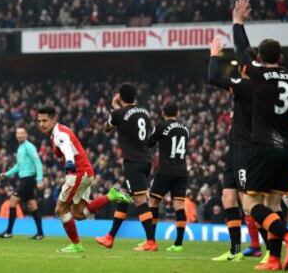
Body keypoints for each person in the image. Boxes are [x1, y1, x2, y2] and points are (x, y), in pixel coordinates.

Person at [233, 0, 288, 270]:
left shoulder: (257, 74)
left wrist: (238, 21)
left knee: (250, 204)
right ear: (281, 58)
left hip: (263, 148)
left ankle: (287, 237)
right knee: (273, 206)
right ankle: (272, 259)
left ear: (260, 58)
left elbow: (240, 50)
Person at [37, 106, 131, 253]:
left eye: (45, 120)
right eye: (39, 121)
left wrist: (69, 162)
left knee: (60, 209)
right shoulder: (59, 131)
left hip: (78, 173)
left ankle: (76, 245)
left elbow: (67, 148)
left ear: (54, 119)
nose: (41, 124)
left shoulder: (59, 134)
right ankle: (111, 195)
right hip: (85, 173)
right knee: (78, 214)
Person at [207, 36, 254, 261]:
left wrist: (214, 54)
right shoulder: (245, 88)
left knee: (249, 204)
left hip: (247, 150)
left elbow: (213, 77)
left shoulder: (250, 86)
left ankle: (259, 247)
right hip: (234, 150)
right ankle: (236, 249)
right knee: (228, 198)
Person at [95, 83, 158, 251]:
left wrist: (114, 107)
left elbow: (107, 128)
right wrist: (117, 108)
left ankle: (151, 241)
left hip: (133, 162)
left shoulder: (118, 113)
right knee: (123, 197)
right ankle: (110, 237)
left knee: (140, 201)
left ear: (120, 97)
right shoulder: (144, 112)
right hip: (145, 160)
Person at [147, 100, 189, 252]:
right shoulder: (185, 129)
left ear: (163, 113)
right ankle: (178, 243)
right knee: (179, 206)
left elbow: (149, 143)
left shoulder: (161, 126)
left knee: (153, 202)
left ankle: (150, 240)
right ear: (177, 113)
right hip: (182, 171)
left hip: (166, 170)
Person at [0, 127, 44, 240]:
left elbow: (38, 162)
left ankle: (8, 232)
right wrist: (6, 174)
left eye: (22, 133)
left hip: (28, 179)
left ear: (26, 135)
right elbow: (18, 166)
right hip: (25, 179)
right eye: (18, 133)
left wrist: (40, 179)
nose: (20, 135)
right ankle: (40, 233)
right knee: (32, 205)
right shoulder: (21, 148)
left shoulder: (29, 147)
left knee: (12, 201)